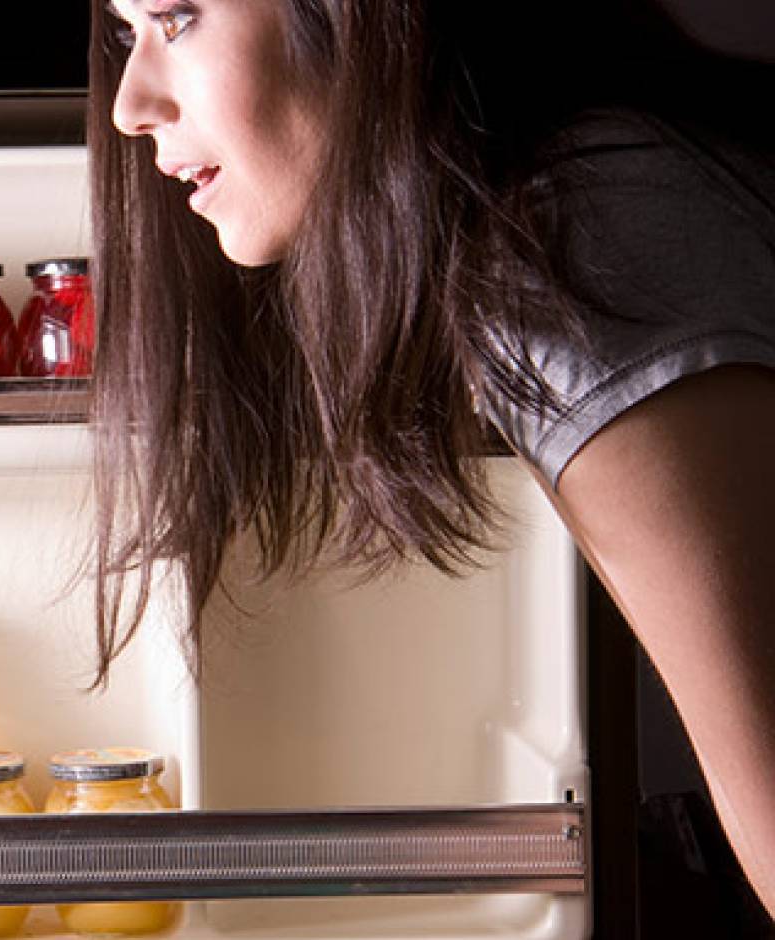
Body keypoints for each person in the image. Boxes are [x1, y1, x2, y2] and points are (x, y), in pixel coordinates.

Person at [84, 0, 775, 921]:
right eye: (127, 34)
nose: (131, 103)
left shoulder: (575, 251)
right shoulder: (579, 189)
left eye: (177, 18)